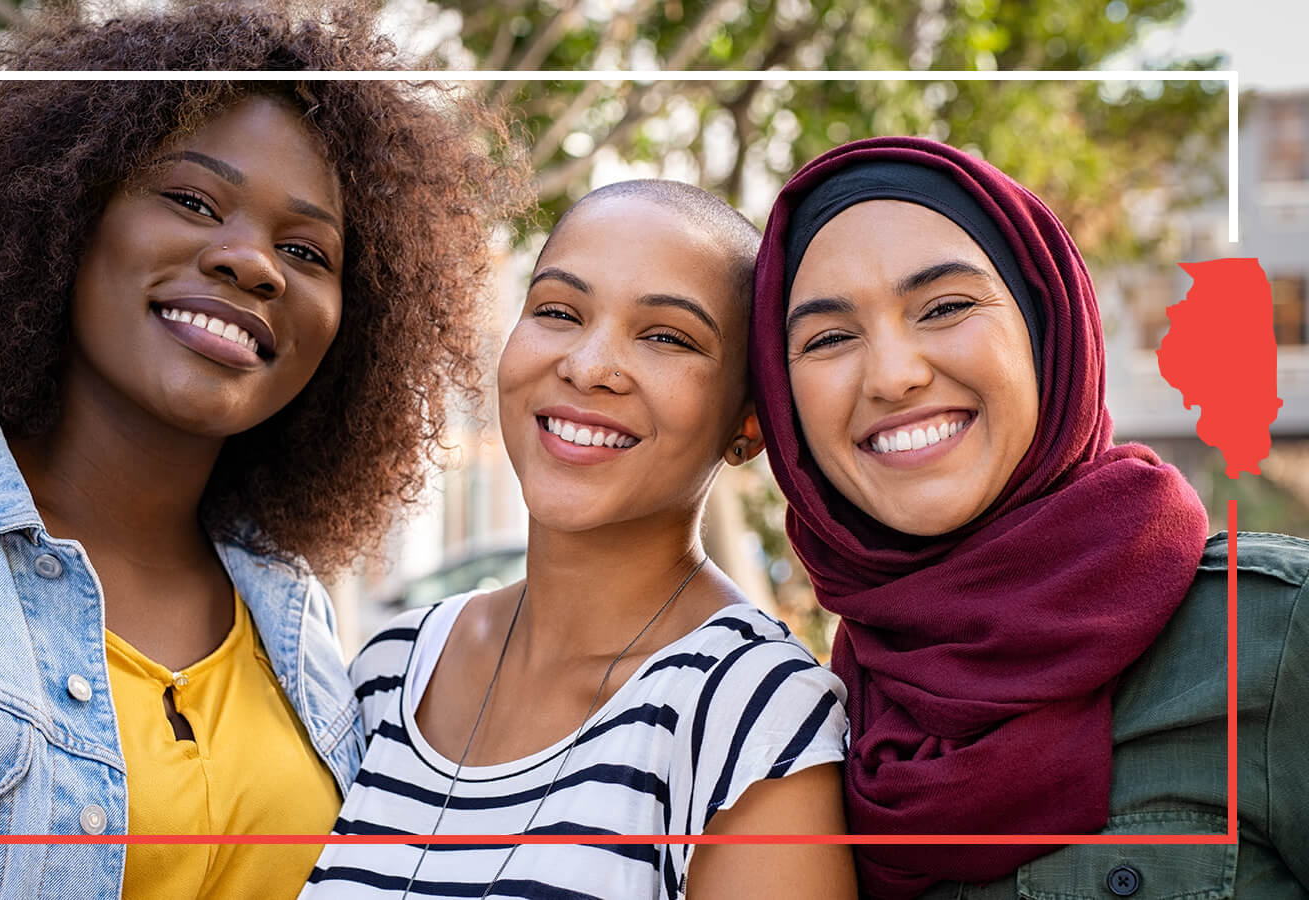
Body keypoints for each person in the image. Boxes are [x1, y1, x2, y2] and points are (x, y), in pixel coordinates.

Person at [0, 3, 529, 898]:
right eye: (191, 200)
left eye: (305, 250)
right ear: (68, 213)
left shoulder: (291, 616)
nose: (253, 264)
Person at [750, 135, 1308, 899]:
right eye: (830, 338)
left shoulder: (1269, 642)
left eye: (944, 307)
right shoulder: (804, 726)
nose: (893, 375)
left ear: (1049, 330)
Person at [301, 180, 856, 900]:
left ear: (749, 423)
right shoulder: (393, 670)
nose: (588, 365)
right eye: (558, 311)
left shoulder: (755, 713)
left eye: (665, 336)